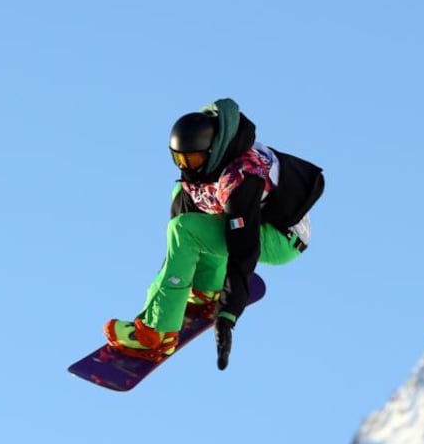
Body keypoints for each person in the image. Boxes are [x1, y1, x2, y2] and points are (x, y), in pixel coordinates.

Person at [104, 98, 325, 370]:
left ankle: (158, 334)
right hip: (255, 216)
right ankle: (207, 286)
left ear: (212, 150)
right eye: (179, 158)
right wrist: (174, 279)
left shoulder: (241, 179)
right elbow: (180, 236)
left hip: (283, 236)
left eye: (192, 158)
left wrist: (228, 314)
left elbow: (244, 249)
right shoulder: (213, 158)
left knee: (184, 230)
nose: (186, 165)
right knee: (184, 202)